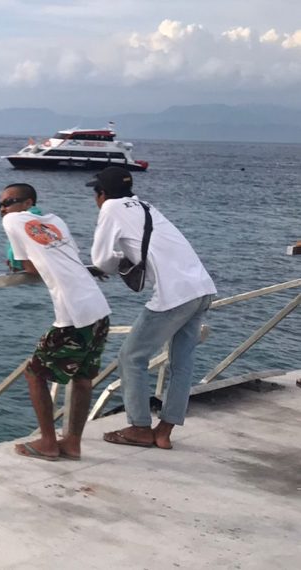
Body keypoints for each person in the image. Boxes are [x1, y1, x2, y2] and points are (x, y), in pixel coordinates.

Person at [87, 166, 216, 450]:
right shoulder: (145, 206)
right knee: (181, 364)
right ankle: (164, 431)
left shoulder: (110, 208)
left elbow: (100, 259)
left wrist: (113, 263)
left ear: (102, 193)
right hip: (202, 288)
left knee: (131, 356)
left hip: (174, 294)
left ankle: (140, 428)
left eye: (96, 193)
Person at [0, 183, 111, 461]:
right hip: (98, 308)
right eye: (0, 205)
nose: (4, 208)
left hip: (73, 314)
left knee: (35, 374)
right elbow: (67, 256)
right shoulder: (56, 220)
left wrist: (14, 264)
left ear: (27, 202)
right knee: (83, 378)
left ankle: (48, 442)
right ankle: (72, 443)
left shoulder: (12, 221)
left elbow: (26, 267)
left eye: (9, 201)